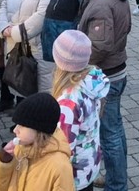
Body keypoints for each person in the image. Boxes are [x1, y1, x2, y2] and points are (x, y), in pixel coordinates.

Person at [77, 0, 131, 191]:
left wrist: (76, 62)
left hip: (106, 76)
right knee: (115, 129)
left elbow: (99, 46)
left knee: (109, 134)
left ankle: (116, 184)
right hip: (114, 72)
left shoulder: (101, 3)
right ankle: (115, 177)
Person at [51, 30, 109, 191]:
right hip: (89, 166)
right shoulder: (91, 81)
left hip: (73, 175)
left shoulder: (67, 103)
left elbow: (62, 146)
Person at [0, 93, 75, 191]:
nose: (15, 130)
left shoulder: (60, 167)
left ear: (39, 130)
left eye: (22, 125)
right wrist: (3, 161)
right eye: (16, 124)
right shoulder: (19, 150)